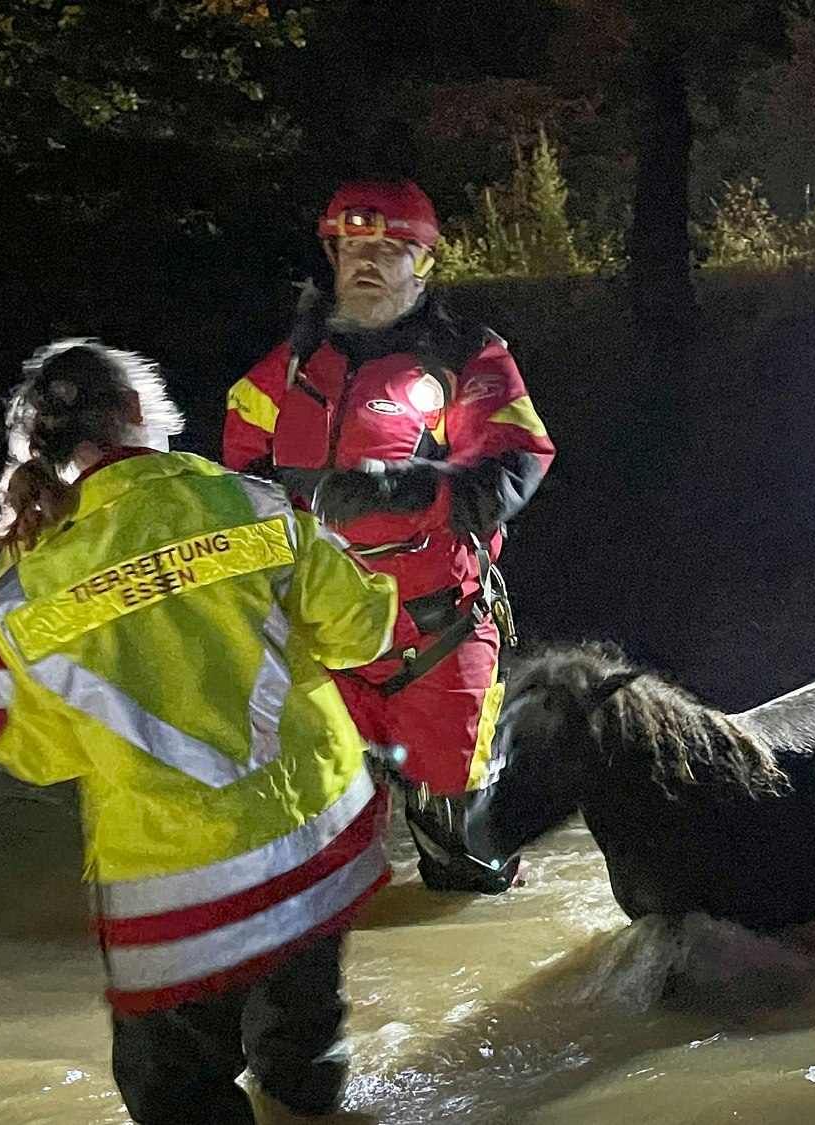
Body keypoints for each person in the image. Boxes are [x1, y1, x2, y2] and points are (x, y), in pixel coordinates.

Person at [0, 340, 400, 1124]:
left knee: (175, 1091)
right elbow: (363, 628)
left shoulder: (21, 588)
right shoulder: (255, 505)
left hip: (177, 888)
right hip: (315, 844)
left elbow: (32, 752)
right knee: (300, 1054)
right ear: (141, 413)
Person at [223, 179, 556, 894]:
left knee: (465, 861)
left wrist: (399, 487)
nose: (366, 261)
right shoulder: (285, 370)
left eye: (389, 248)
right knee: (304, 854)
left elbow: (513, 466)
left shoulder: (469, 356)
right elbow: (236, 476)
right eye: (352, 247)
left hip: (437, 634)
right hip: (320, 637)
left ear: (424, 261)